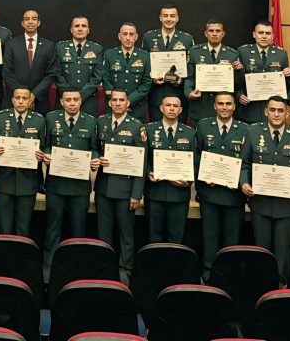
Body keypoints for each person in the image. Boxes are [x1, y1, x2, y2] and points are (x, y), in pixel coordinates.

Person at [240, 96, 290, 284]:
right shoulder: (252, 131)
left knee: (283, 251)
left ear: (287, 113)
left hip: (287, 205)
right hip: (261, 203)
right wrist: (244, 183)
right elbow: (244, 164)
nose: (276, 114)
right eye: (272, 110)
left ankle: (281, 288)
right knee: (261, 251)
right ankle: (260, 287)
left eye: (280, 110)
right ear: (266, 111)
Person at [42, 88, 99, 268]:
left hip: (80, 187)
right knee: (52, 229)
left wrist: (94, 159)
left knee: (78, 230)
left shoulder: (91, 121)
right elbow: (45, 145)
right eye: (68, 100)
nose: (72, 103)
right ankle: (48, 267)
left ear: (81, 101)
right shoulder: (51, 118)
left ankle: (77, 266)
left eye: (75, 100)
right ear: (61, 102)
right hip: (56, 185)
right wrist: (47, 154)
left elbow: (94, 148)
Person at [194, 92, 248, 279]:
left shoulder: (244, 129)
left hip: (234, 196)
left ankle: (229, 276)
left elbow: (246, 161)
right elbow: (196, 156)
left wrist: (240, 182)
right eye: (221, 104)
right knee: (209, 238)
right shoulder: (202, 126)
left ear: (234, 106)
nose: (224, 107)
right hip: (209, 193)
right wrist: (203, 174)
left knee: (232, 241)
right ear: (214, 106)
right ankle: (208, 275)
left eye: (228, 104)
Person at [95, 89, 145, 278]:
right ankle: (103, 268)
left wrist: (136, 193)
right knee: (103, 233)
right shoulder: (100, 122)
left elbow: (141, 162)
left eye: (121, 100)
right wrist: (97, 158)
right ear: (109, 103)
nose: (117, 103)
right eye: (114, 100)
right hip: (103, 188)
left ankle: (126, 270)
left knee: (126, 235)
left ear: (127, 103)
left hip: (125, 190)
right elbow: (93, 148)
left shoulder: (137, 127)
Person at [0, 87, 47, 236]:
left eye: (24, 98)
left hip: (28, 181)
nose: (21, 101)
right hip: (5, 180)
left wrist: (42, 155)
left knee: (24, 228)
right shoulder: (0, 118)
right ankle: (5, 259)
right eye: (17, 98)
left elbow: (44, 146)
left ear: (30, 100)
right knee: (5, 228)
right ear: (12, 100)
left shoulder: (40, 120)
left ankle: (22, 259)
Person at [144, 94, 197, 243]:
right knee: (154, 238)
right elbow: (143, 160)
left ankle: (174, 267)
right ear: (161, 108)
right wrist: (149, 174)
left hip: (179, 195)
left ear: (180, 110)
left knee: (176, 238)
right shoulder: (149, 130)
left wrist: (188, 181)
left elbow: (195, 162)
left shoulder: (190, 133)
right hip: (155, 193)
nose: (172, 108)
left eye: (175, 106)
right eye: (168, 105)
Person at [142, 4, 195, 118]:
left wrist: (181, 80)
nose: (169, 19)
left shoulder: (187, 39)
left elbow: (190, 66)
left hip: (178, 94)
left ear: (177, 18)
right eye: (165, 16)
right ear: (160, 18)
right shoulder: (149, 37)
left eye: (172, 16)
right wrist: (153, 79)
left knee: (179, 131)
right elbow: (144, 63)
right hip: (156, 94)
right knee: (155, 131)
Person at [2, 10, 59, 114]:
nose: (30, 22)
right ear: (22, 23)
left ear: (39, 23)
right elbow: (6, 72)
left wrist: (33, 95)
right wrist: (23, 96)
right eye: (27, 19)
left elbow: (51, 74)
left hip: (39, 100)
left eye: (34, 19)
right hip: (15, 99)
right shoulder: (11, 44)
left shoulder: (49, 45)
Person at [235, 21, 290, 123]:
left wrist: (288, 76)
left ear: (273, 36)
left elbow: (287, 86)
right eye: (261, 33)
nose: (264, 36)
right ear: (254, 34)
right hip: (249, 111)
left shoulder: (281, 54)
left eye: (268, 33)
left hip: (272, 113)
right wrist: (239, 95)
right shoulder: (243, 52)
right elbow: (235, 81)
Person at [185, 19, 241, 126]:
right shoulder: (194, 52)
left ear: (223, 34)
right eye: (211, 31)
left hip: (223, 108)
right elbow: (189, 77)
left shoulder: (232, 54)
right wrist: (188, 93)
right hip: (200, 106)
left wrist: (239, 71)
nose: (214, 34)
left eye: (218, 31)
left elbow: (237, 84)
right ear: (206, 34)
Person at [55, 16, 105, 116]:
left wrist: (80, 96)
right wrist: (69, 95)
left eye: (84, 26)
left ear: (88, 30)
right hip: (65, 99)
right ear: (71, 29)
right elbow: (56, 73)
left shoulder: (97, 49)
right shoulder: (60, 47)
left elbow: (98, 76)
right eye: (77, 26)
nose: (80, 28)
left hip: (88, 100)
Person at [102, 23, 152, 121]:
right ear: (119, 36)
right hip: (114, 107)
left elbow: (146, 83)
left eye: (131, 34)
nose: (128, 38)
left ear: (136, 37)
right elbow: (105, 80)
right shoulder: (109, 54)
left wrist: (128, 101)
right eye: (125, 34)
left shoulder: (145, 56)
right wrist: (118, 101)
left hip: (136, 107)